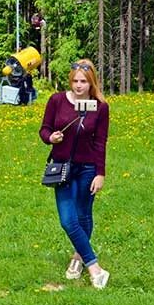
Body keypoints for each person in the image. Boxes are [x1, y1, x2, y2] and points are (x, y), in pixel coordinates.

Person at [39, 59, 111, 288]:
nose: (78, 86)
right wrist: (51, 137)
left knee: (83, 216)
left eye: (83, 82)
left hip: (87, 168)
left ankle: (78, 259)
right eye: (75, 81)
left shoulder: (100, 107)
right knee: (68, 220)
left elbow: (100, 142)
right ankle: (95, 267)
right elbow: (44, 129)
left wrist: (100, 173)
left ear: (92, 83)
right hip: (62, 168)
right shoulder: (57, 100)